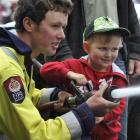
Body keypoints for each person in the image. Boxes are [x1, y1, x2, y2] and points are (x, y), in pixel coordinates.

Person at [0, 0, 120, 140]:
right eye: (55, 26)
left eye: (63, 27)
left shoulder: (17, 55)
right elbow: (35, 135)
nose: (62, 35)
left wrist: (57, 95)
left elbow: (28, 95)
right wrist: (86, 111)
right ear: (29, 24)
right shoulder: (8, 68)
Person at [40, 16, 130, 140]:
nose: (109, 54)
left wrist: (104, 116)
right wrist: (70, 74)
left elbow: (120, 106)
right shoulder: (75, 66)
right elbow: (45, 70)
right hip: (76, 133)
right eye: (102, 48)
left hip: (106, 136)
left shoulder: (118, 76)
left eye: (114, 49)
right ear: (86, 47)